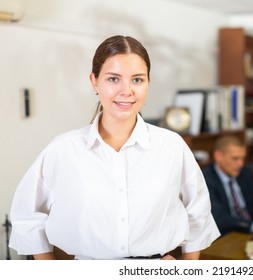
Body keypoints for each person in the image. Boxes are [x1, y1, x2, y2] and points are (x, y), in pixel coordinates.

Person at [9, 35, 220, 260]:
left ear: (148, 83)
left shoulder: (171, 146)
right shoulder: (62, 150)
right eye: (113, 79)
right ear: (94, 81)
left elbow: (198, 214)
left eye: (137, 80)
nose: (126, 90)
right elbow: (27, 217)